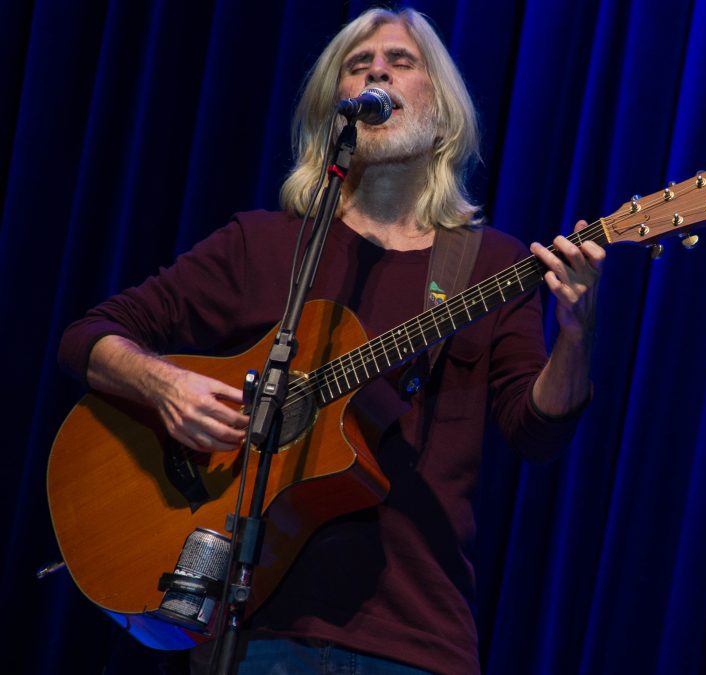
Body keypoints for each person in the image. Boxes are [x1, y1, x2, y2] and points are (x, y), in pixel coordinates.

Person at [58, 7, 602, 675]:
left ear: (444, 111)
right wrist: (167, 386)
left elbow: (535, 433)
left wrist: (575, 334)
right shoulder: (261, 243)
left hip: (415, 639)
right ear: (335, 109)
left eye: (402, 62)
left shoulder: (488, 263)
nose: (377, 69)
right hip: (251, 629)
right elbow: (91, 335)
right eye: (358, 64)